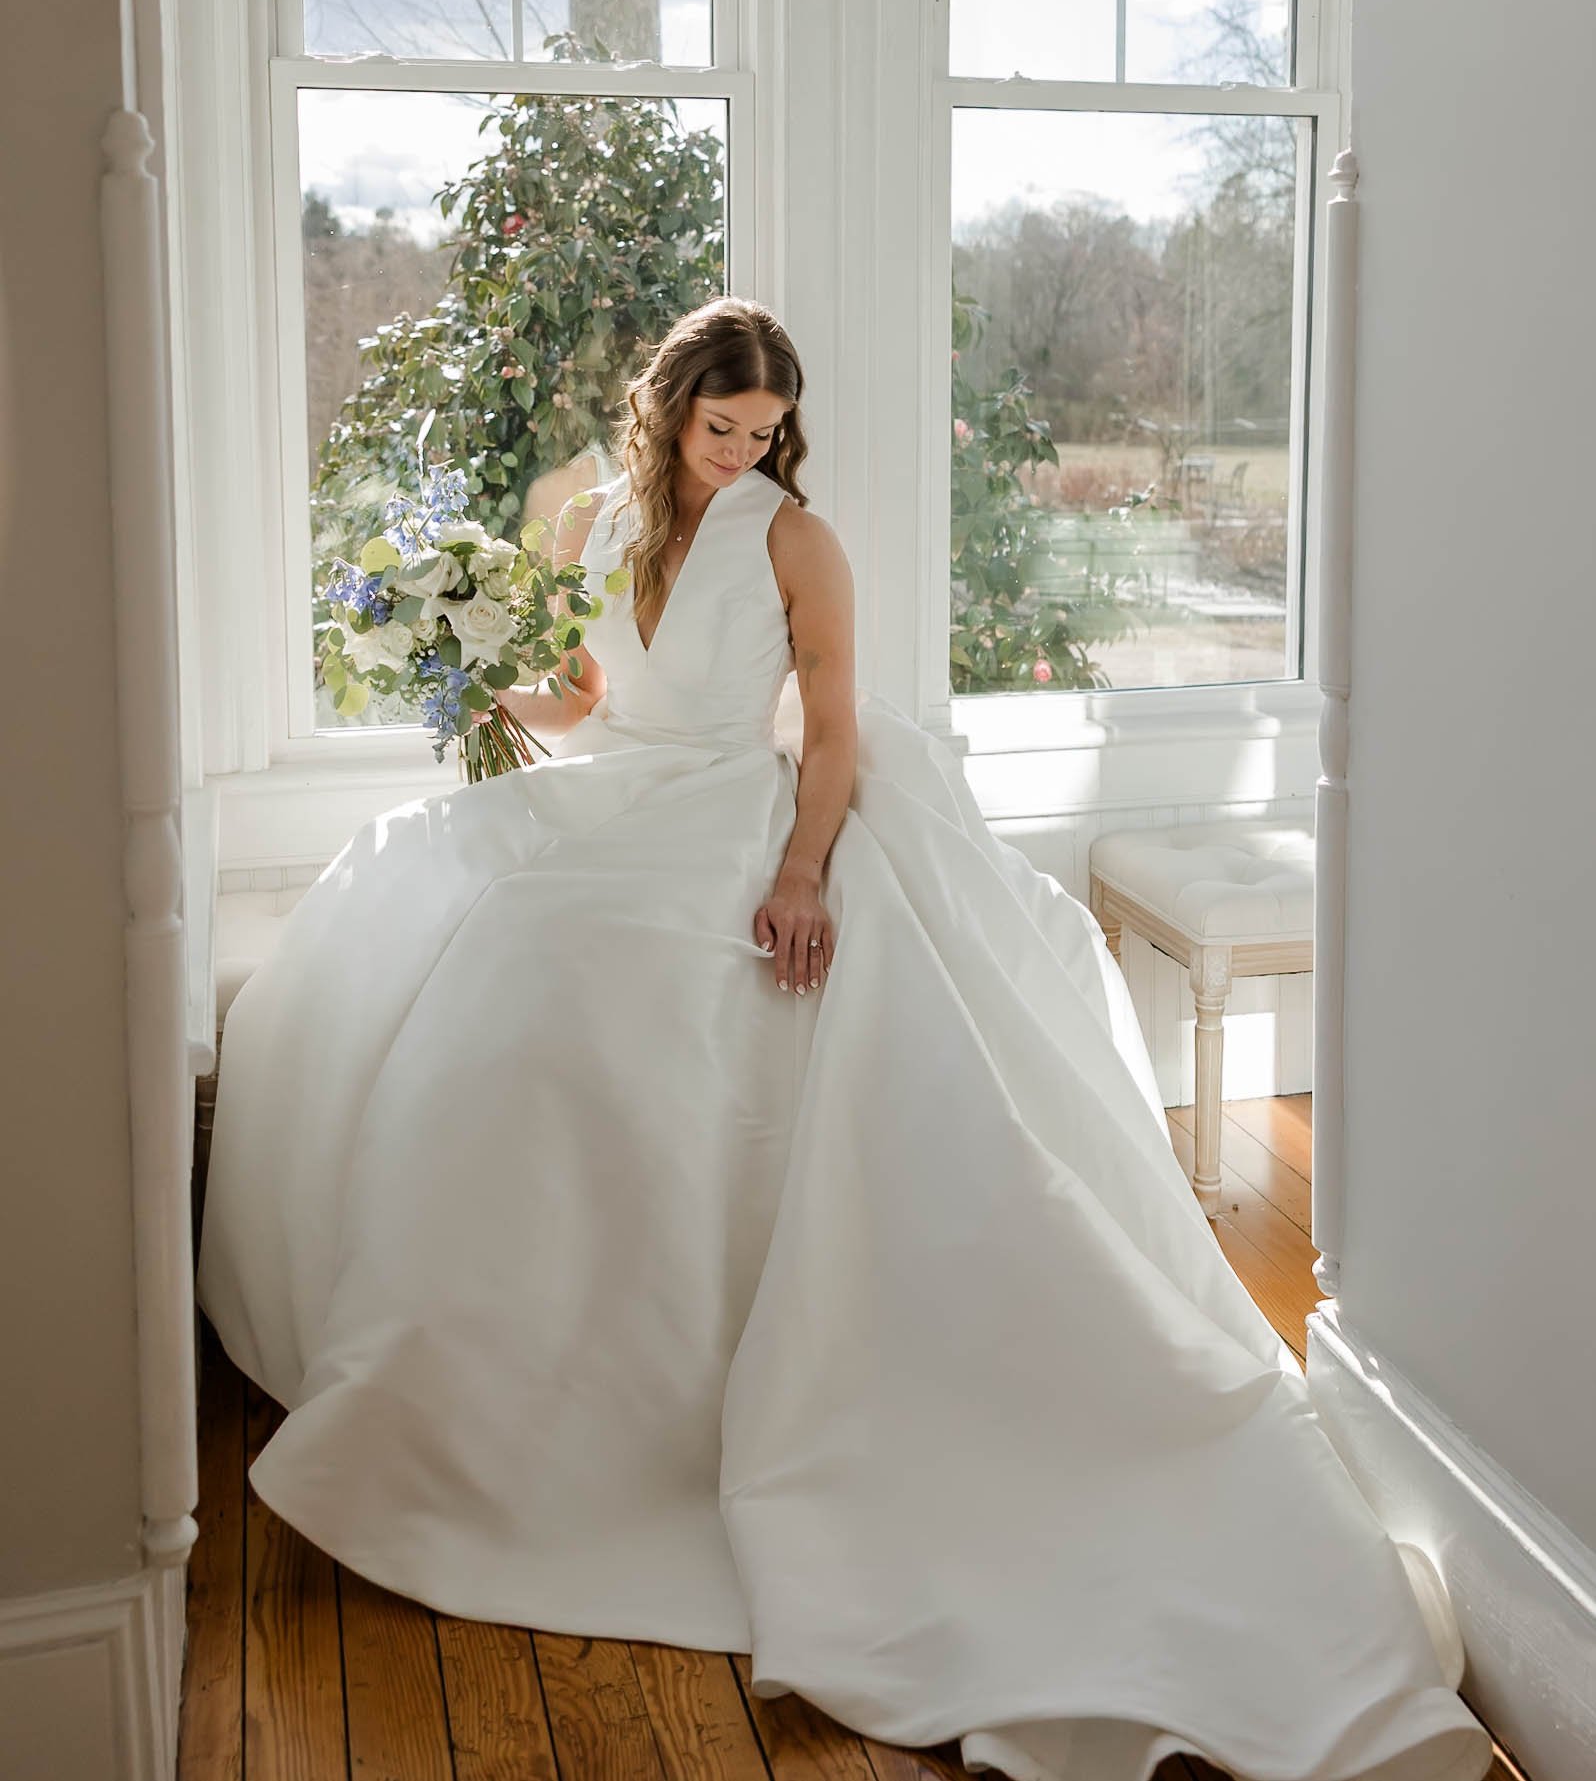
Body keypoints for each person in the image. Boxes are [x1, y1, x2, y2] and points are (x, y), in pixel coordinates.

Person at [196, 296, 1493, 1781]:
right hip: (618, 794)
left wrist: (803, 870)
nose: (744, 452)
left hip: (739, 817)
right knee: (427, 900)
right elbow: (587, 698)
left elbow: (827, 732)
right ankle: (463, 1391)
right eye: (721, 427)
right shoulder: (594, 522)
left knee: (545, 963)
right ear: (666, 410)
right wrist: (478, 664)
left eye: (766, 432)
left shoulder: (795, 541)